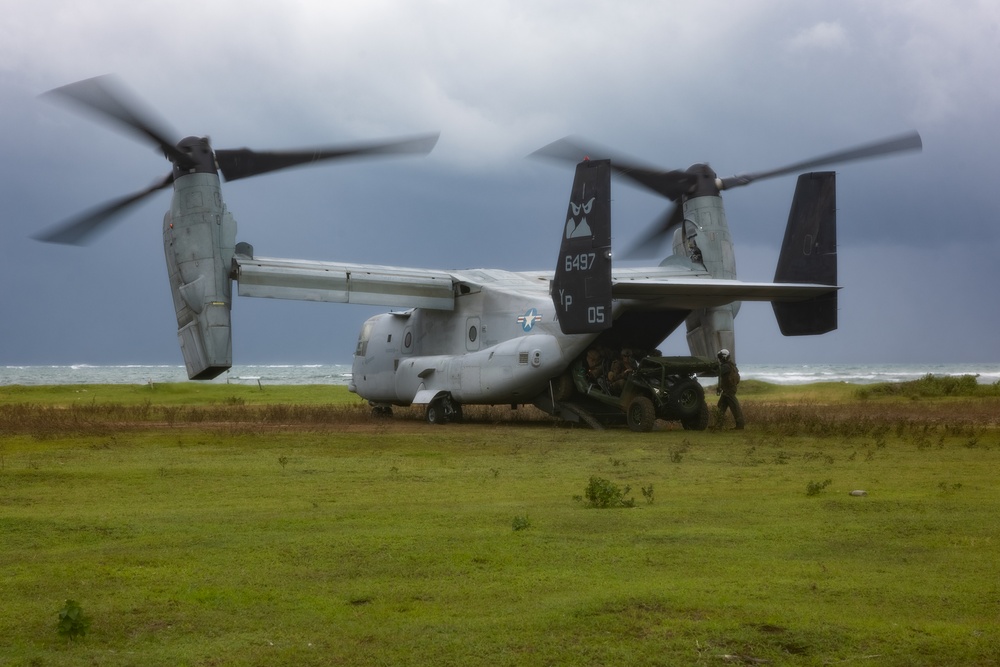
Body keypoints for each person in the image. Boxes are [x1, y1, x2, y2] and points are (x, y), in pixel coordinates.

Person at [715, 349, 745, 429]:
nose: (719, 359)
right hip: (728, 390)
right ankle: (718, 425)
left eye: (720, 357)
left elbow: (718, 372)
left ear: (723, 357)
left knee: (735, 408)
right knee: (721, 407)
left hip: (729, 391)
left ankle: (740, 426)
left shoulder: (726, 366)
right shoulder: (730, 365)